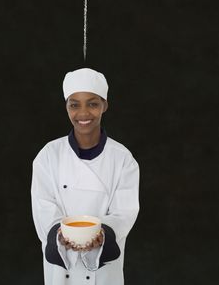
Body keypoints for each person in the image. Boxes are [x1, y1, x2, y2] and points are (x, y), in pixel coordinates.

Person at [31, 68, 140, 285]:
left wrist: (100, 235)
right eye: (74, 104)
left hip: (104, 273)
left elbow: (124, 212)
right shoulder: (48, 156)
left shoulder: (122, 159)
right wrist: (62, 235)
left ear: (104, 106)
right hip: (61, 272)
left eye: (92, 103)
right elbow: (43, 207)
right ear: (66, 107)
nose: (83, 113)